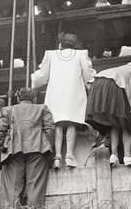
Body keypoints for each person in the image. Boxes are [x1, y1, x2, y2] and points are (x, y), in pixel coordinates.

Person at [32, 32, 95, 169]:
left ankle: (57, 157)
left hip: (56, 93)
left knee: (58, 123)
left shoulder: (51, 54)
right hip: (74, 92)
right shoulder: (81, 54)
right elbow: (88, 74)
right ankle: (70, 156)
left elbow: (42, 75)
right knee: (71, 121)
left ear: (60, 44)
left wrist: (32, 81)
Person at [0, 87, 54, 209]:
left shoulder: (8, 109)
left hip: (14, 151)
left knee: (12, 190)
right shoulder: (42, 108)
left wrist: (2, 148)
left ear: (17, 98)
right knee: (35, 189)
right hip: (38, 150)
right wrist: (48, 148)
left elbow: (0, 132)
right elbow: (50, 129)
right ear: (34, 99)